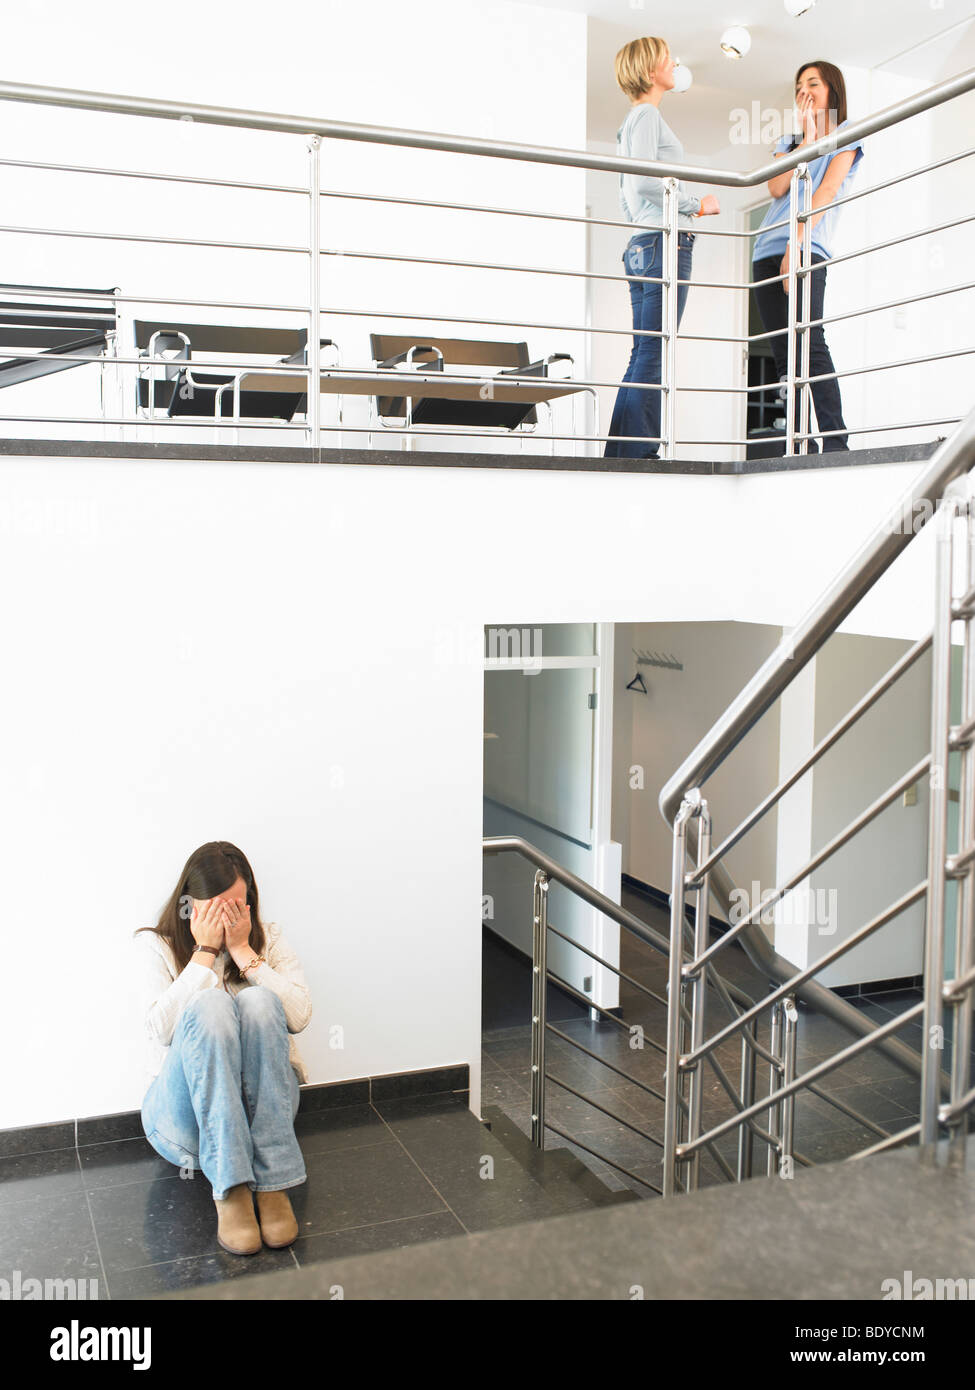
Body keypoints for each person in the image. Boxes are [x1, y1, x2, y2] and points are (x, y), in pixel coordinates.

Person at [135, 841, 311, 1256]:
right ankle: (230, 1188)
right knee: (211, 1004)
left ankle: (272, 1185)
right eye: (216, 908)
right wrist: (205, 954)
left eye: (238, 906)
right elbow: (158, 1031)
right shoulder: (155, 946)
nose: (228, 918)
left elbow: (300, 1016)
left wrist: (244, 953)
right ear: (189, 907)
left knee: (259, 1001)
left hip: (263, 1121)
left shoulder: (268, 941)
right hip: (181, 1125)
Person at [605, 36, 719, 459]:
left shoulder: (631, 121)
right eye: (666, 58)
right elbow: (645, 184)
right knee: (654, 349)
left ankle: (621, 454)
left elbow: (626, 194)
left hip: (640, 243)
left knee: (644, 349)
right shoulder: (648, 115)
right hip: (662, 243)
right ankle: (640, 454)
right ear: (650, 69)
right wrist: (697, 207)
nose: (673, 62)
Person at [751, 60, 864, 453]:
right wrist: (806, 139)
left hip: (807, 247)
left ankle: (835, 443)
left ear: (832, 88)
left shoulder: (848, 135)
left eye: (813, 83)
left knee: (811, 343)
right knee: (785, 356)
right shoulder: (788, 141)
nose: (805, 90)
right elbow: (777, 187)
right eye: (799, 85)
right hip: (765, 251)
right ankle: (798, 444)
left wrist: (795, 244)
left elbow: (828, 190)